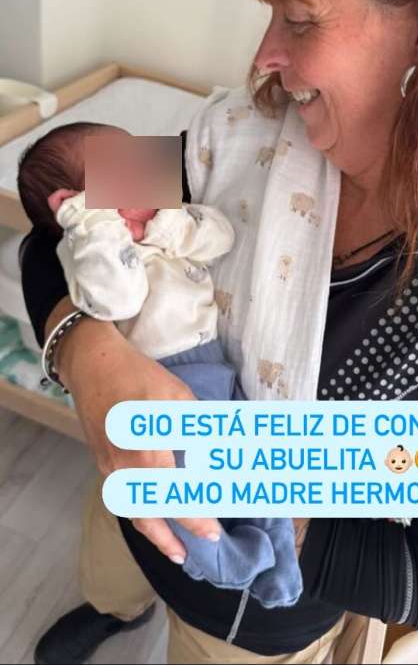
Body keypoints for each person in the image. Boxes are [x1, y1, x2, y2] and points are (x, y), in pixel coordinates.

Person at [21, 0, 418, 665]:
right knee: (115, 566)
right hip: (129, 498)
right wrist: (90, 361)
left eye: (300, 19)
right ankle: (112, 609)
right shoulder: (241, 139)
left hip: (256, 618)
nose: (262, 60)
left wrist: (238, 476)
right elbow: (56, 224)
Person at [17, 121, 303, 609]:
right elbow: (117, 299)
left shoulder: (165, 220)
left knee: (257, 468)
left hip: (214, 365)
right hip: (161, 379)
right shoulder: (87, 251)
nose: (145, 171)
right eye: (119, 169)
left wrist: (160, 226)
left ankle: (279, 563)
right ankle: (221, 563)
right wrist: (99, 226)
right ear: (73, 204)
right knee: (182, 492)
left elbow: (220, 237)